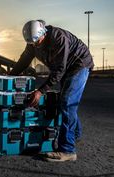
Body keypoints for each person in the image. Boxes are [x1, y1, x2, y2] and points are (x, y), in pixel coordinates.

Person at [10, 20, 94, 162]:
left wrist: (40, 91)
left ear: (43, 32)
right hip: (66, 67)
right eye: (32, 44)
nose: (35, 45)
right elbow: (24, 60)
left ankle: (68, 151)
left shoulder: (58, 38)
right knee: (66, 103)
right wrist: (9, 77)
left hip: (79, 65)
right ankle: (75, 135)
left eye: (37, 42)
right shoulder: (33, 41)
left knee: (67, 103)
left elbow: (58, 71)